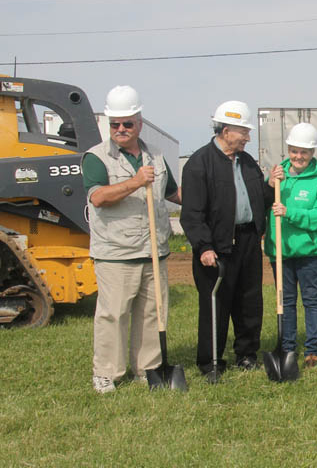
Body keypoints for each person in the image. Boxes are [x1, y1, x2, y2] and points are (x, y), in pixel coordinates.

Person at [83, 85, 181, 393]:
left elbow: (173, 194)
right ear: (108, 124)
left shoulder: (156, 156)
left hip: (153, 250)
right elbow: (98, 197)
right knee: (114, 314)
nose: (121, 129)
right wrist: (135, 181)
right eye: (115, 124)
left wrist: (211, 207)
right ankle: (106, 373)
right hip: (116, 253)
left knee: (152, 313)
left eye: (127, 123)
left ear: (139, 122)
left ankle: (148, 369)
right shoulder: (96, 158)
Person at [180, 100, 275, 375]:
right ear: (224, 130)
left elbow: (258, 199)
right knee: (216, 305)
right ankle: (210, 362)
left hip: (248, 242)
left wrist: (270, 187)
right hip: (217, 246)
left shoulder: (247, 162)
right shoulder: (199, 164)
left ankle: (246, 354)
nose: (247, 137)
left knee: (249, 302)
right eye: (243, 131)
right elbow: (192, 213)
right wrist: (203, 246)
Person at [264, 123, 317, 368]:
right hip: (281, 251)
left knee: (312, 300)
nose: (298, 157)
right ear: (288, 150)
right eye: (294, 151)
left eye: (304, 152)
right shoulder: (277, 176)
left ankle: (313, 349)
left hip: (309, 252)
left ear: (312, 153)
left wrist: (290, 212)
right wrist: (271, 186)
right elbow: (263, 204)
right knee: (286, 300)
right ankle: (287, 346)